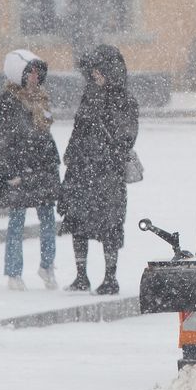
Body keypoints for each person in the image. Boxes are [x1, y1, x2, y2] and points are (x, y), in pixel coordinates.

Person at [58, 45, 140, 296]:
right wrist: (71, 154)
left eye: (98, 71)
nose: (94, 76)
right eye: (92, 71)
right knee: (78, 221)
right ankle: (81, 275)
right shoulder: (89, 95)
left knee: (109, 226)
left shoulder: (123, 100)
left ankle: (110, 278)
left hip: (107, 174)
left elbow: (125, 136)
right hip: (82, 170)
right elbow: (79, 128)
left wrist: (105, 154)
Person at [0, 49, 60, 290]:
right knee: (16, 221)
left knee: (48, 219)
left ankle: (47, 267)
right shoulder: (8, 102)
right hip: (20, 169)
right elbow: (0, 140)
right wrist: (8, 172)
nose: (35, 77)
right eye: (31, 72)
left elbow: (45, 135)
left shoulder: (42, 98)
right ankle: (13, 272)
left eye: (38, 72)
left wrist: (51, 164)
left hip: (42, 167)